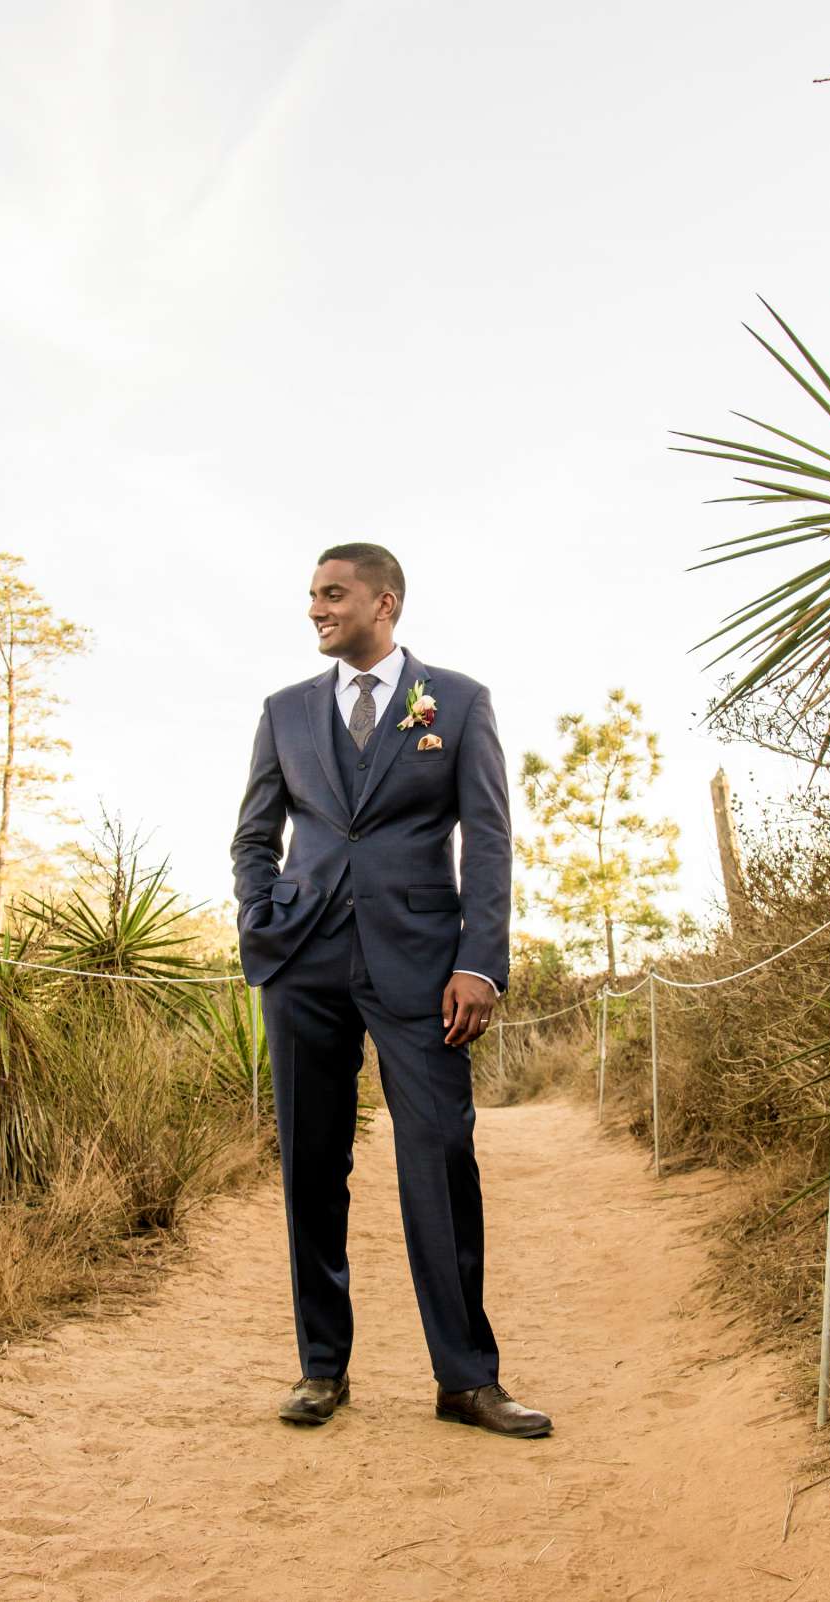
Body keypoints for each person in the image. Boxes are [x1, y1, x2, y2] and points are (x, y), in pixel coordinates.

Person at [228, 541, 551, 1438]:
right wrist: (262, 916)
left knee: (441, 1157)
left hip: (422, 965)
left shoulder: (458, 701)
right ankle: (321, 1370)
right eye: (311, 596)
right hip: (303, 964)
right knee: (311, 1164)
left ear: (386, 603)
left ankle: (465, 1380)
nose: (315, 609)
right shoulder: (284, 712)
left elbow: (488, 840)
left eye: (332, 595)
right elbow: (253, 833)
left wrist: (480, 962)